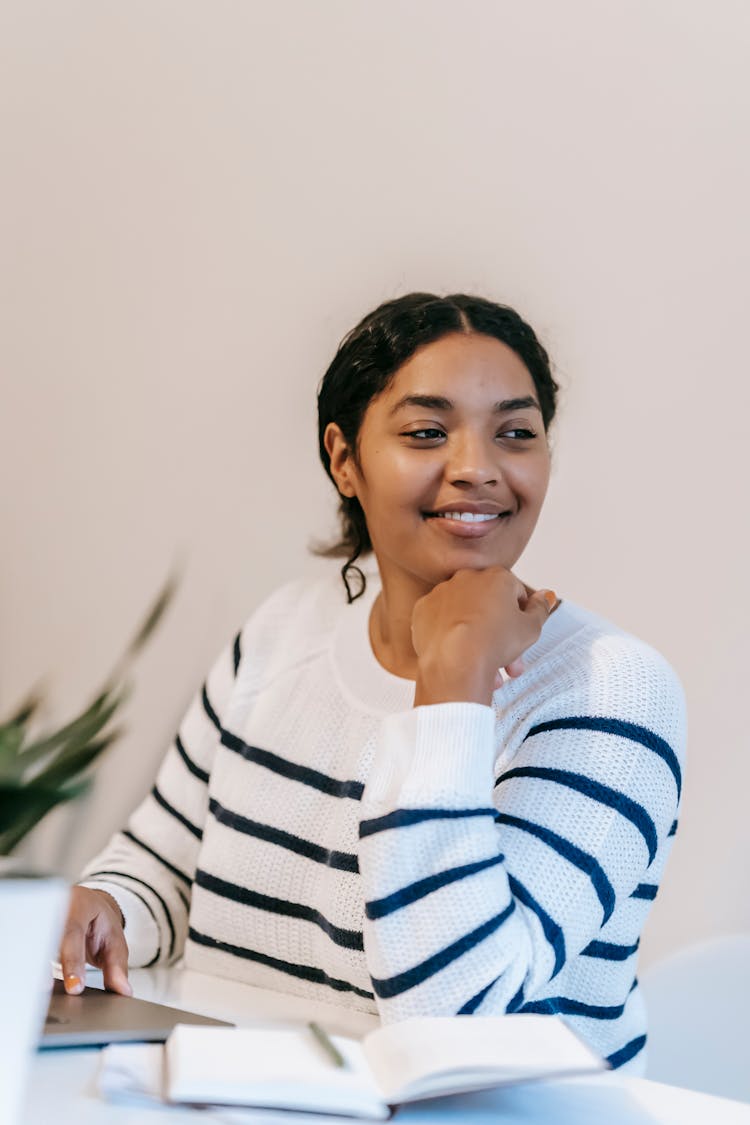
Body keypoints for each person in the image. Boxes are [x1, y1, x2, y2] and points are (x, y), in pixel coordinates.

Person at [59, 293, 686, 1074]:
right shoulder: (283, 631)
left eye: (516, 433)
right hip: (239, 1095)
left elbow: (452, 1017)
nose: (477, 469)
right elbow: (162, 866)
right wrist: (105, 908)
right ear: (344, 458)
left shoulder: (609, 693)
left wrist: (453, 681)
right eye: (427, 431)